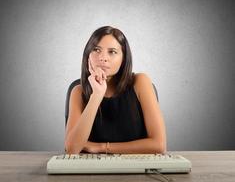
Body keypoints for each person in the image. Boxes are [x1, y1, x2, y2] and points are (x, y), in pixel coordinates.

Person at [65, 26, 166, 154]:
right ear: (87, 56)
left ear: (123, 59)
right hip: (92, 170)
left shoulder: (140, 82)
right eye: (96, 50)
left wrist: (102, 147)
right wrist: (97, 95)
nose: (103, 58)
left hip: (136, 168)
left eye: (112, 52)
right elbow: (72, 149)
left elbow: (159, 145)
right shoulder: (78, 92)